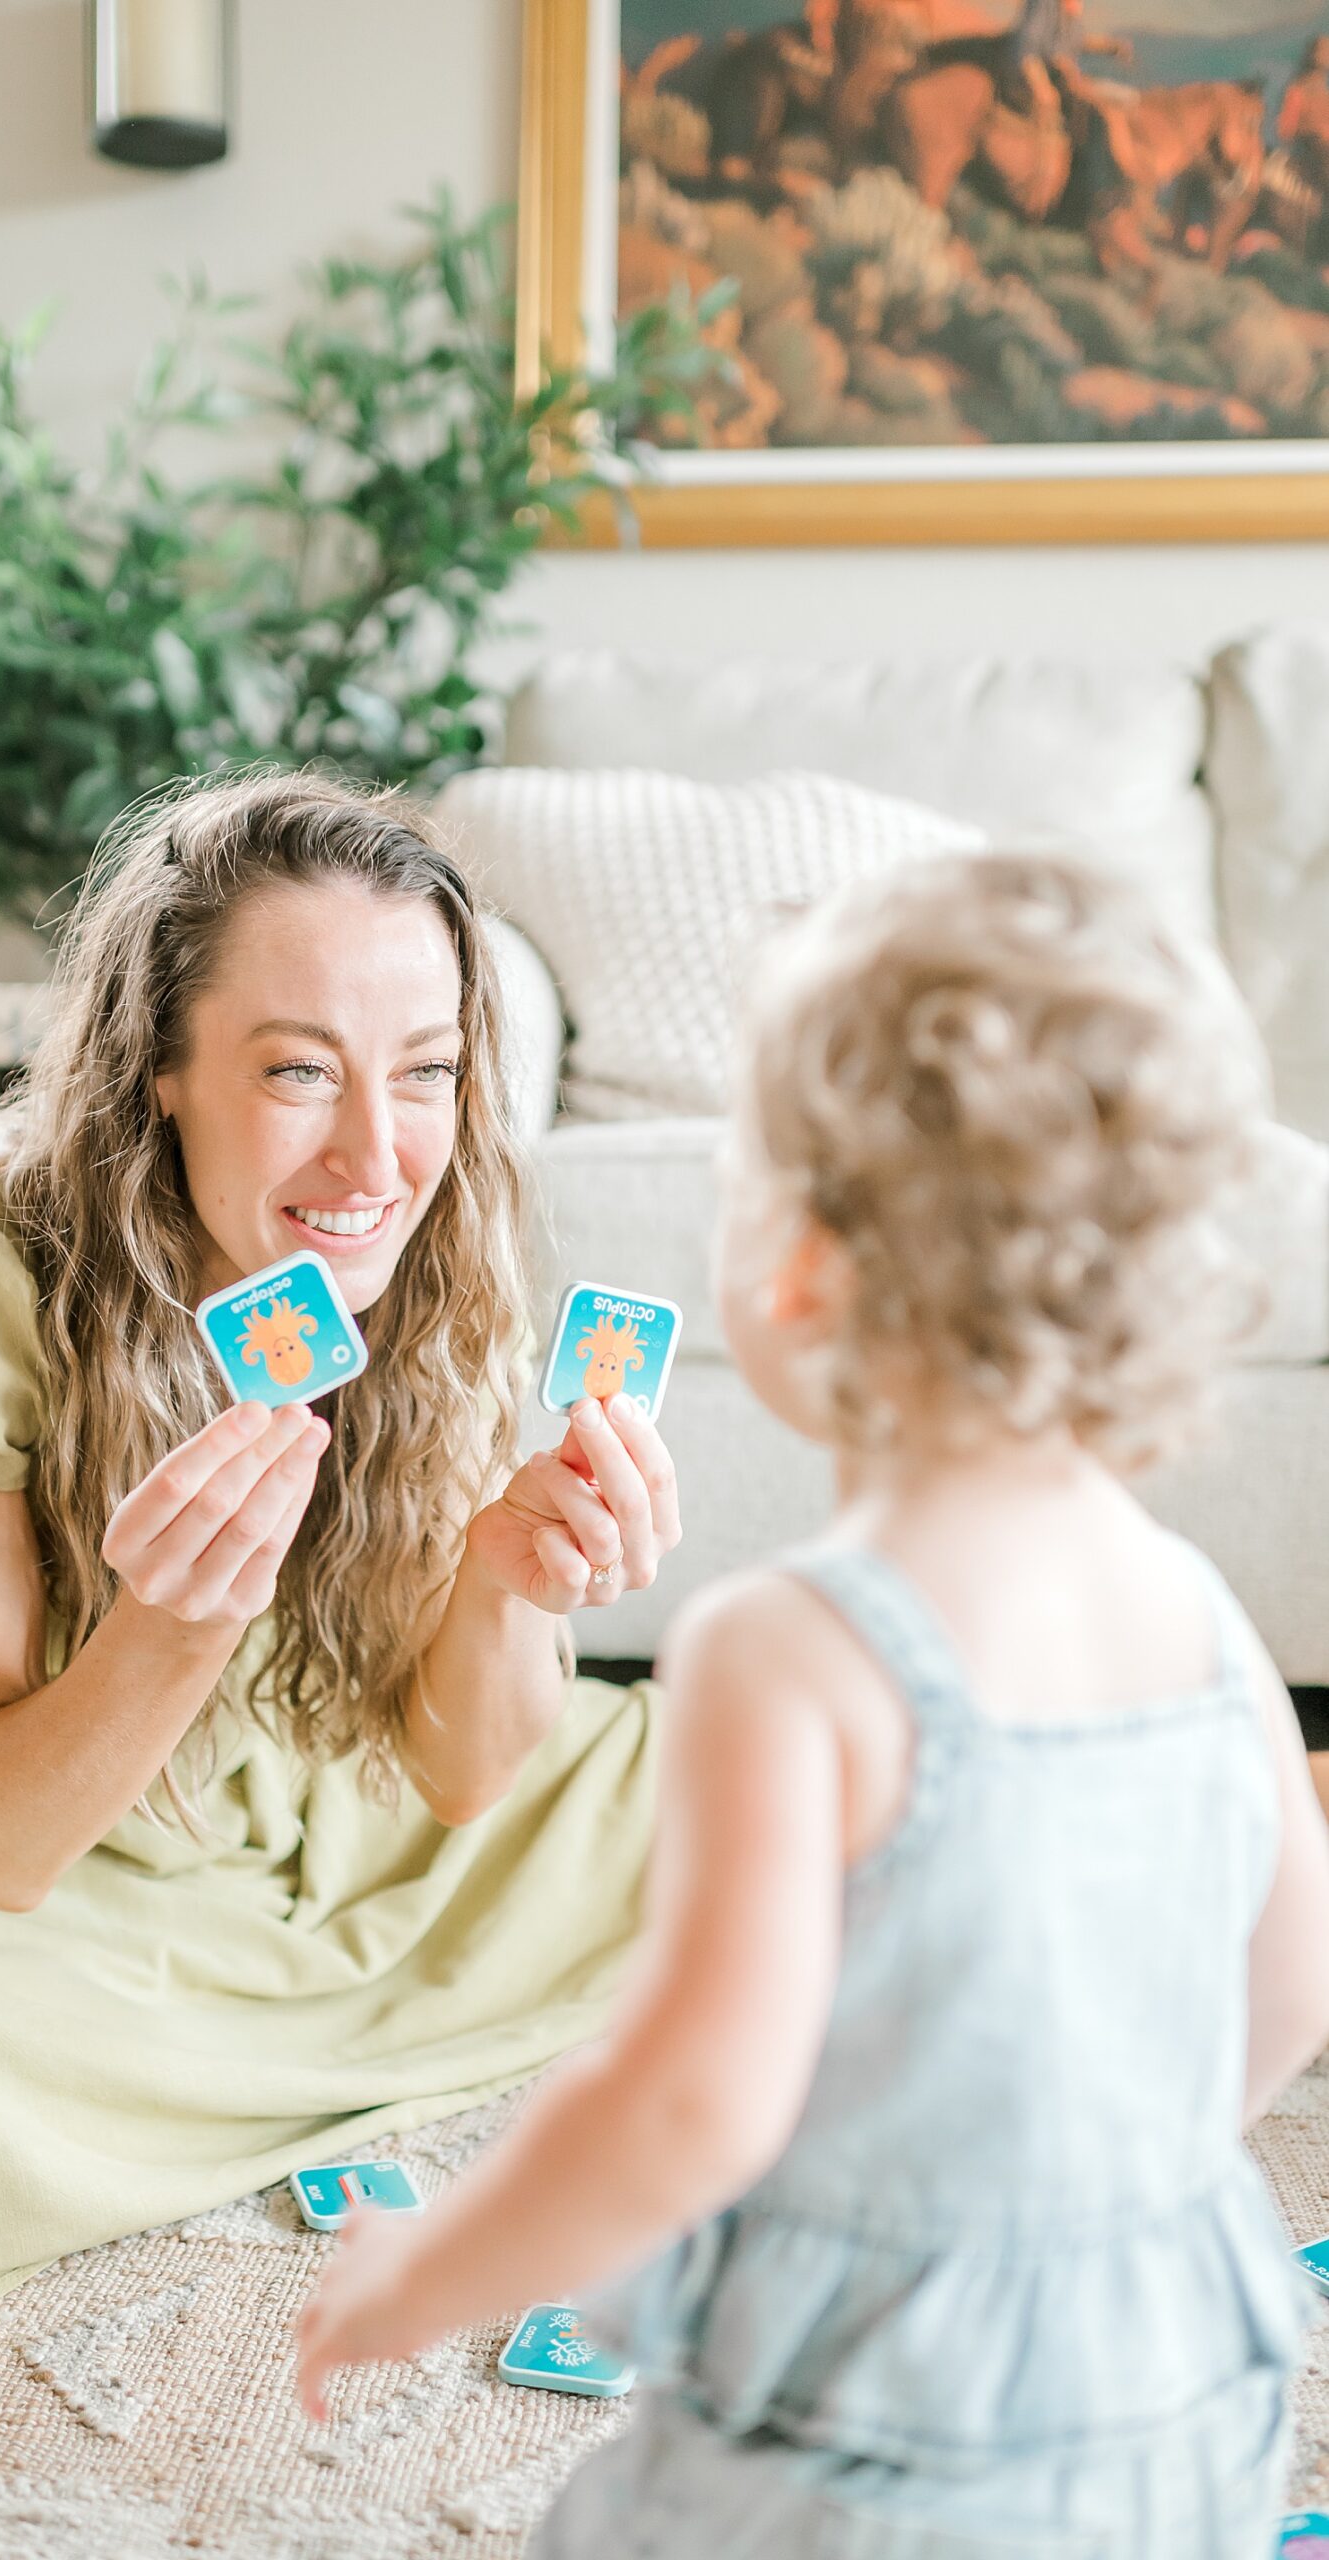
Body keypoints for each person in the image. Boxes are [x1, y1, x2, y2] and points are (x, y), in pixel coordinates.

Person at [0, 773, 681, 2451]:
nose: (375, 1156)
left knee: (828, 1780)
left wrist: (503, 1578)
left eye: (425, 1075)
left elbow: (467, 1779)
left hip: (329, 1835)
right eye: (294, 1073)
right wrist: (170, 1628)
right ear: (161, 1073)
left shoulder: (435, 1241)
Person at [298, 851, 1329, 2557]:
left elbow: (692, 2097)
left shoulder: (787, 1647)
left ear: (798, 1267)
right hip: (1171, 2390)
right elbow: (1289, 1980)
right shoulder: (1199, 1614)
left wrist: (440, 2264)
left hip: (871, 2435)